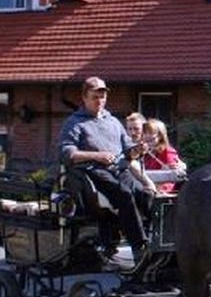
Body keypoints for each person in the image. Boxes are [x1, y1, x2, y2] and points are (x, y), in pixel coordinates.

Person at [58, 76, 153, 265]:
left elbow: (127, 150)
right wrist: (97, 156)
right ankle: (139, 246)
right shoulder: (75, 123)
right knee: (124, 194)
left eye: (102, 97)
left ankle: (158, 241)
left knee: (146, 194)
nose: (100, 101)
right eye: (95, 97)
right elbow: (66, 153)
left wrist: (137, 150)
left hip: (119, 169)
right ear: (84, 98)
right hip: (92, 172)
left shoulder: (113, 121)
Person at [140, 118, 186, 193]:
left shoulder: (167, 151)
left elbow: (170, 176)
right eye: (145, 133)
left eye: (151, 133)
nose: (147, 136)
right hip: (146, 188)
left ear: (160, 136)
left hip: (163, 191)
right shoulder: (144, 153)